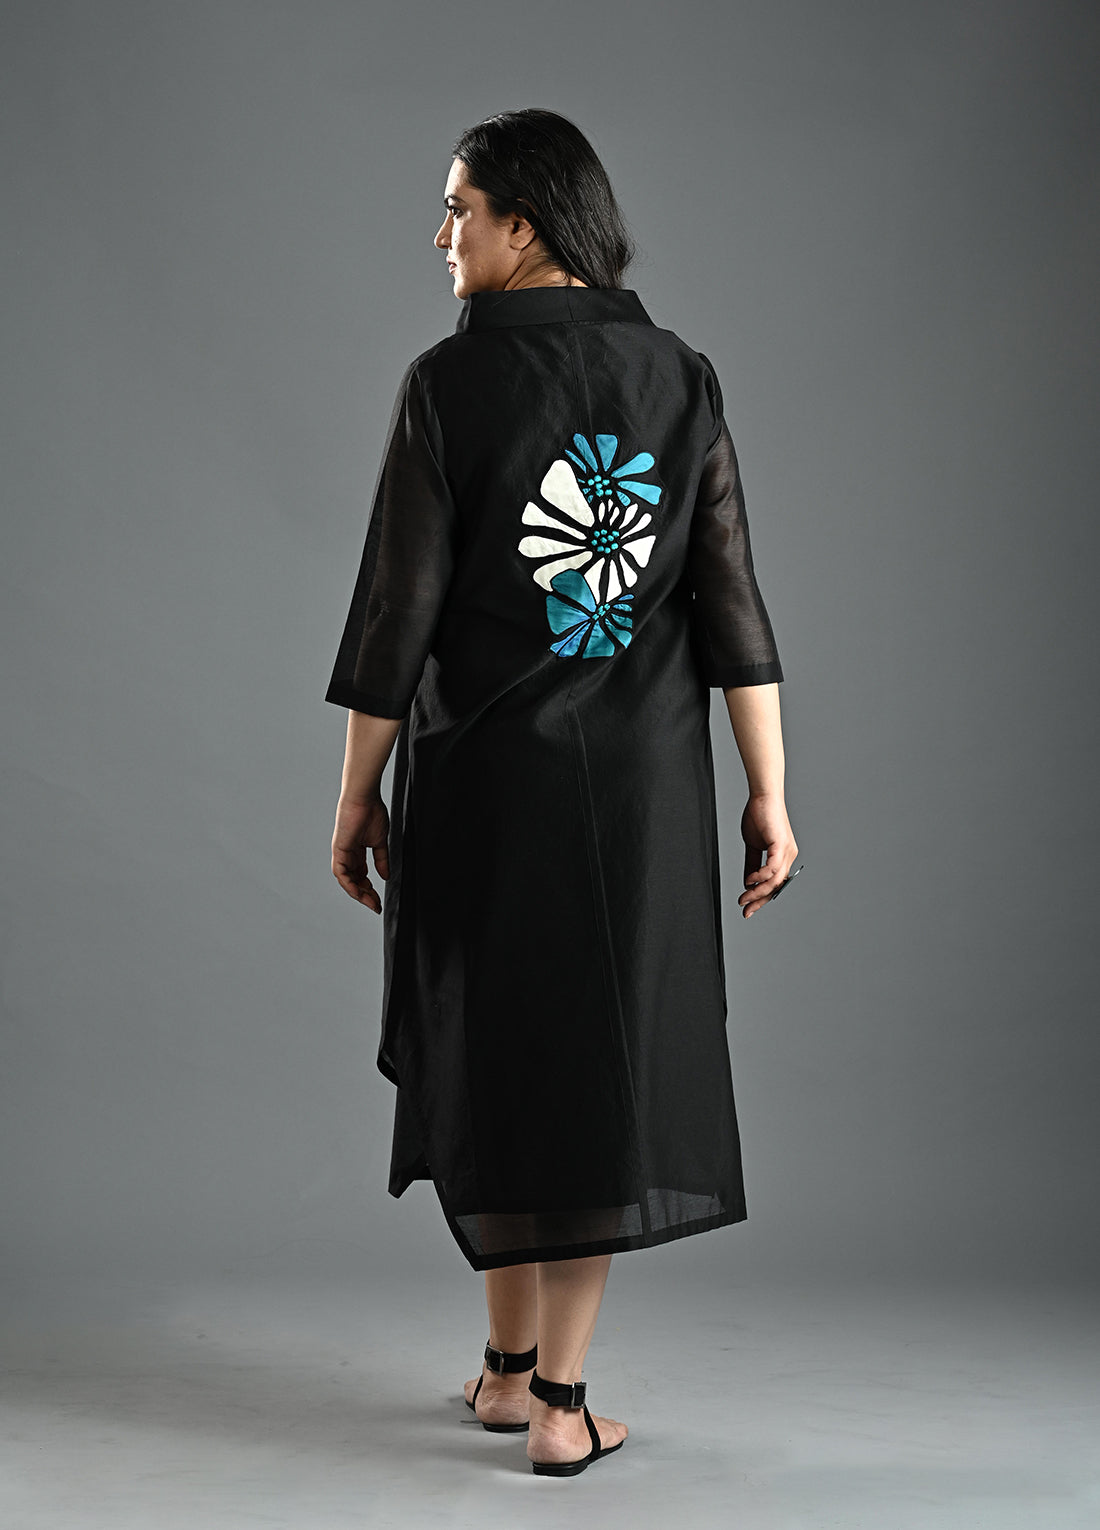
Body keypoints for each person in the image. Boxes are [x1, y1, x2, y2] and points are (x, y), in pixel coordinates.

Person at [325, 109, 799, 1477]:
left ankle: (526, 1382)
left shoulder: (445, 385)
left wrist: (356, 796)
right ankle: (546, 1395)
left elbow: (394, 619)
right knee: (595, 1072)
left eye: (459, 208)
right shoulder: (681, 379)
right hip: (634, 798)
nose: (442, 234)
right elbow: (731, 607)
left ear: (523, 223)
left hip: (481, 782)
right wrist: (770, 792)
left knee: (503, 1057)